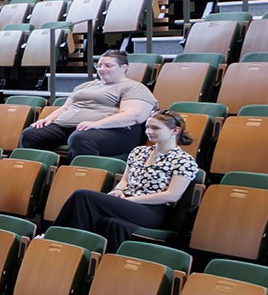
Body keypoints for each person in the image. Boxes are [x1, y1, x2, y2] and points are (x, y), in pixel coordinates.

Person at [51, 110, 201, 246]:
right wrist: (118, 191)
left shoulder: (184, 160)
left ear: (175, 131)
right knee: (96, 214)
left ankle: (56, 238)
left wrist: (129, 200)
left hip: (153, 210)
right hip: (127, 202)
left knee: (83, 196)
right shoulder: (139, 151)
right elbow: (125, 180)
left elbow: (172, 196)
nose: (149, 131)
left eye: (155, 128)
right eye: (147, 127)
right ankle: (75, 245)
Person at [18, 50, 157, 159]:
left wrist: (98, 124)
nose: (102, 69)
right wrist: (48, 119)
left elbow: (133, 116)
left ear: (124, 67)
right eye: (99, 65)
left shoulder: (133, 87)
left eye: (108, 65)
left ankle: (83, 181)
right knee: (31, 134)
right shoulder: (86, 86)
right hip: (71, 128)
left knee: (81, 138)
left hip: (113, 131)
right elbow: (66, 107)